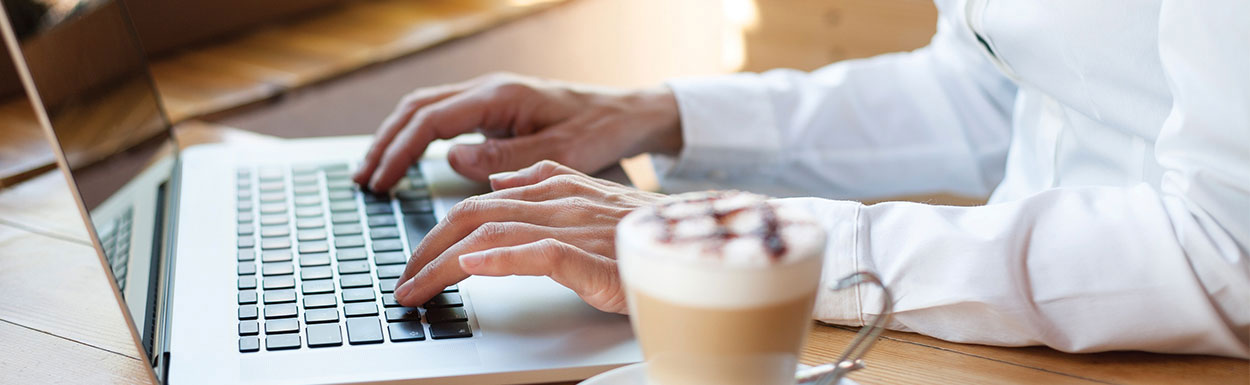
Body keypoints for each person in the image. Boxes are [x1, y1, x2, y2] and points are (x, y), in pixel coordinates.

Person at [352, 0, 1249, 358]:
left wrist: (752, 242)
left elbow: (1228, 250)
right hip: (1010, 338)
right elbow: (991, 87)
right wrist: (659, 112)